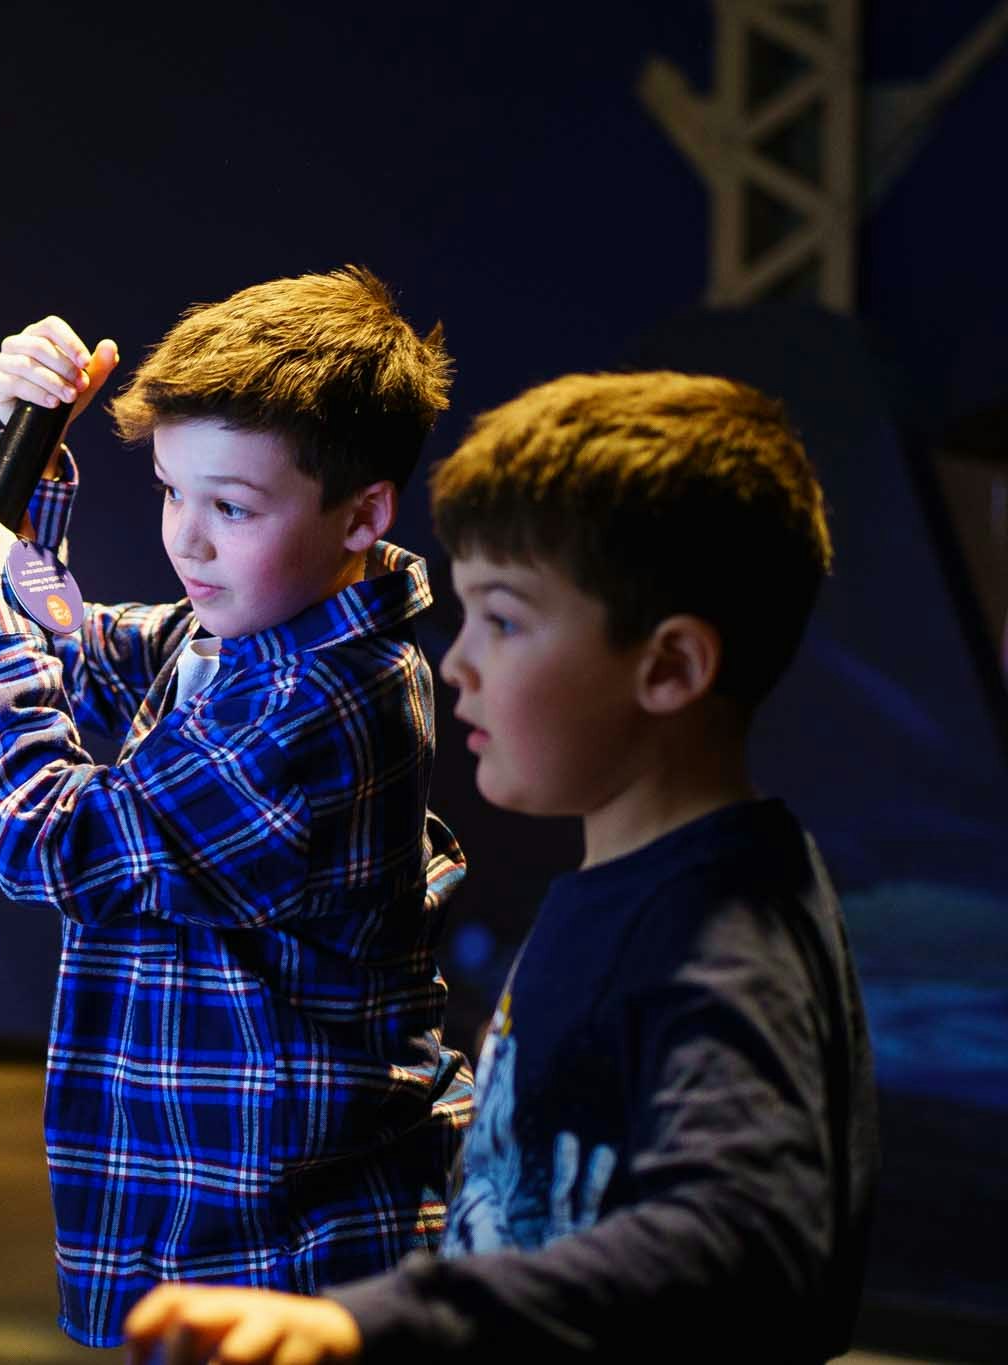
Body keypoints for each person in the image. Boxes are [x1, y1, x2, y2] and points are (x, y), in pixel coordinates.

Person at [121, 371, 879, 1362]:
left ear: (668, 668)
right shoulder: (647, 885)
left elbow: (748, 1238)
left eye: (506, 620)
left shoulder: (721, 941)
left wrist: (361, 1325)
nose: (456, 662)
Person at [0, 269, 474, 1348]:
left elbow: (51, 840)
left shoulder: (317, 700)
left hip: (288, 1247)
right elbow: (83, 654)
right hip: (203, 1212)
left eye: (231, 507)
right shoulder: (252, 634)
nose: (188, 539)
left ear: (362, 514)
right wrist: (31, 446)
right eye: (172, 491)